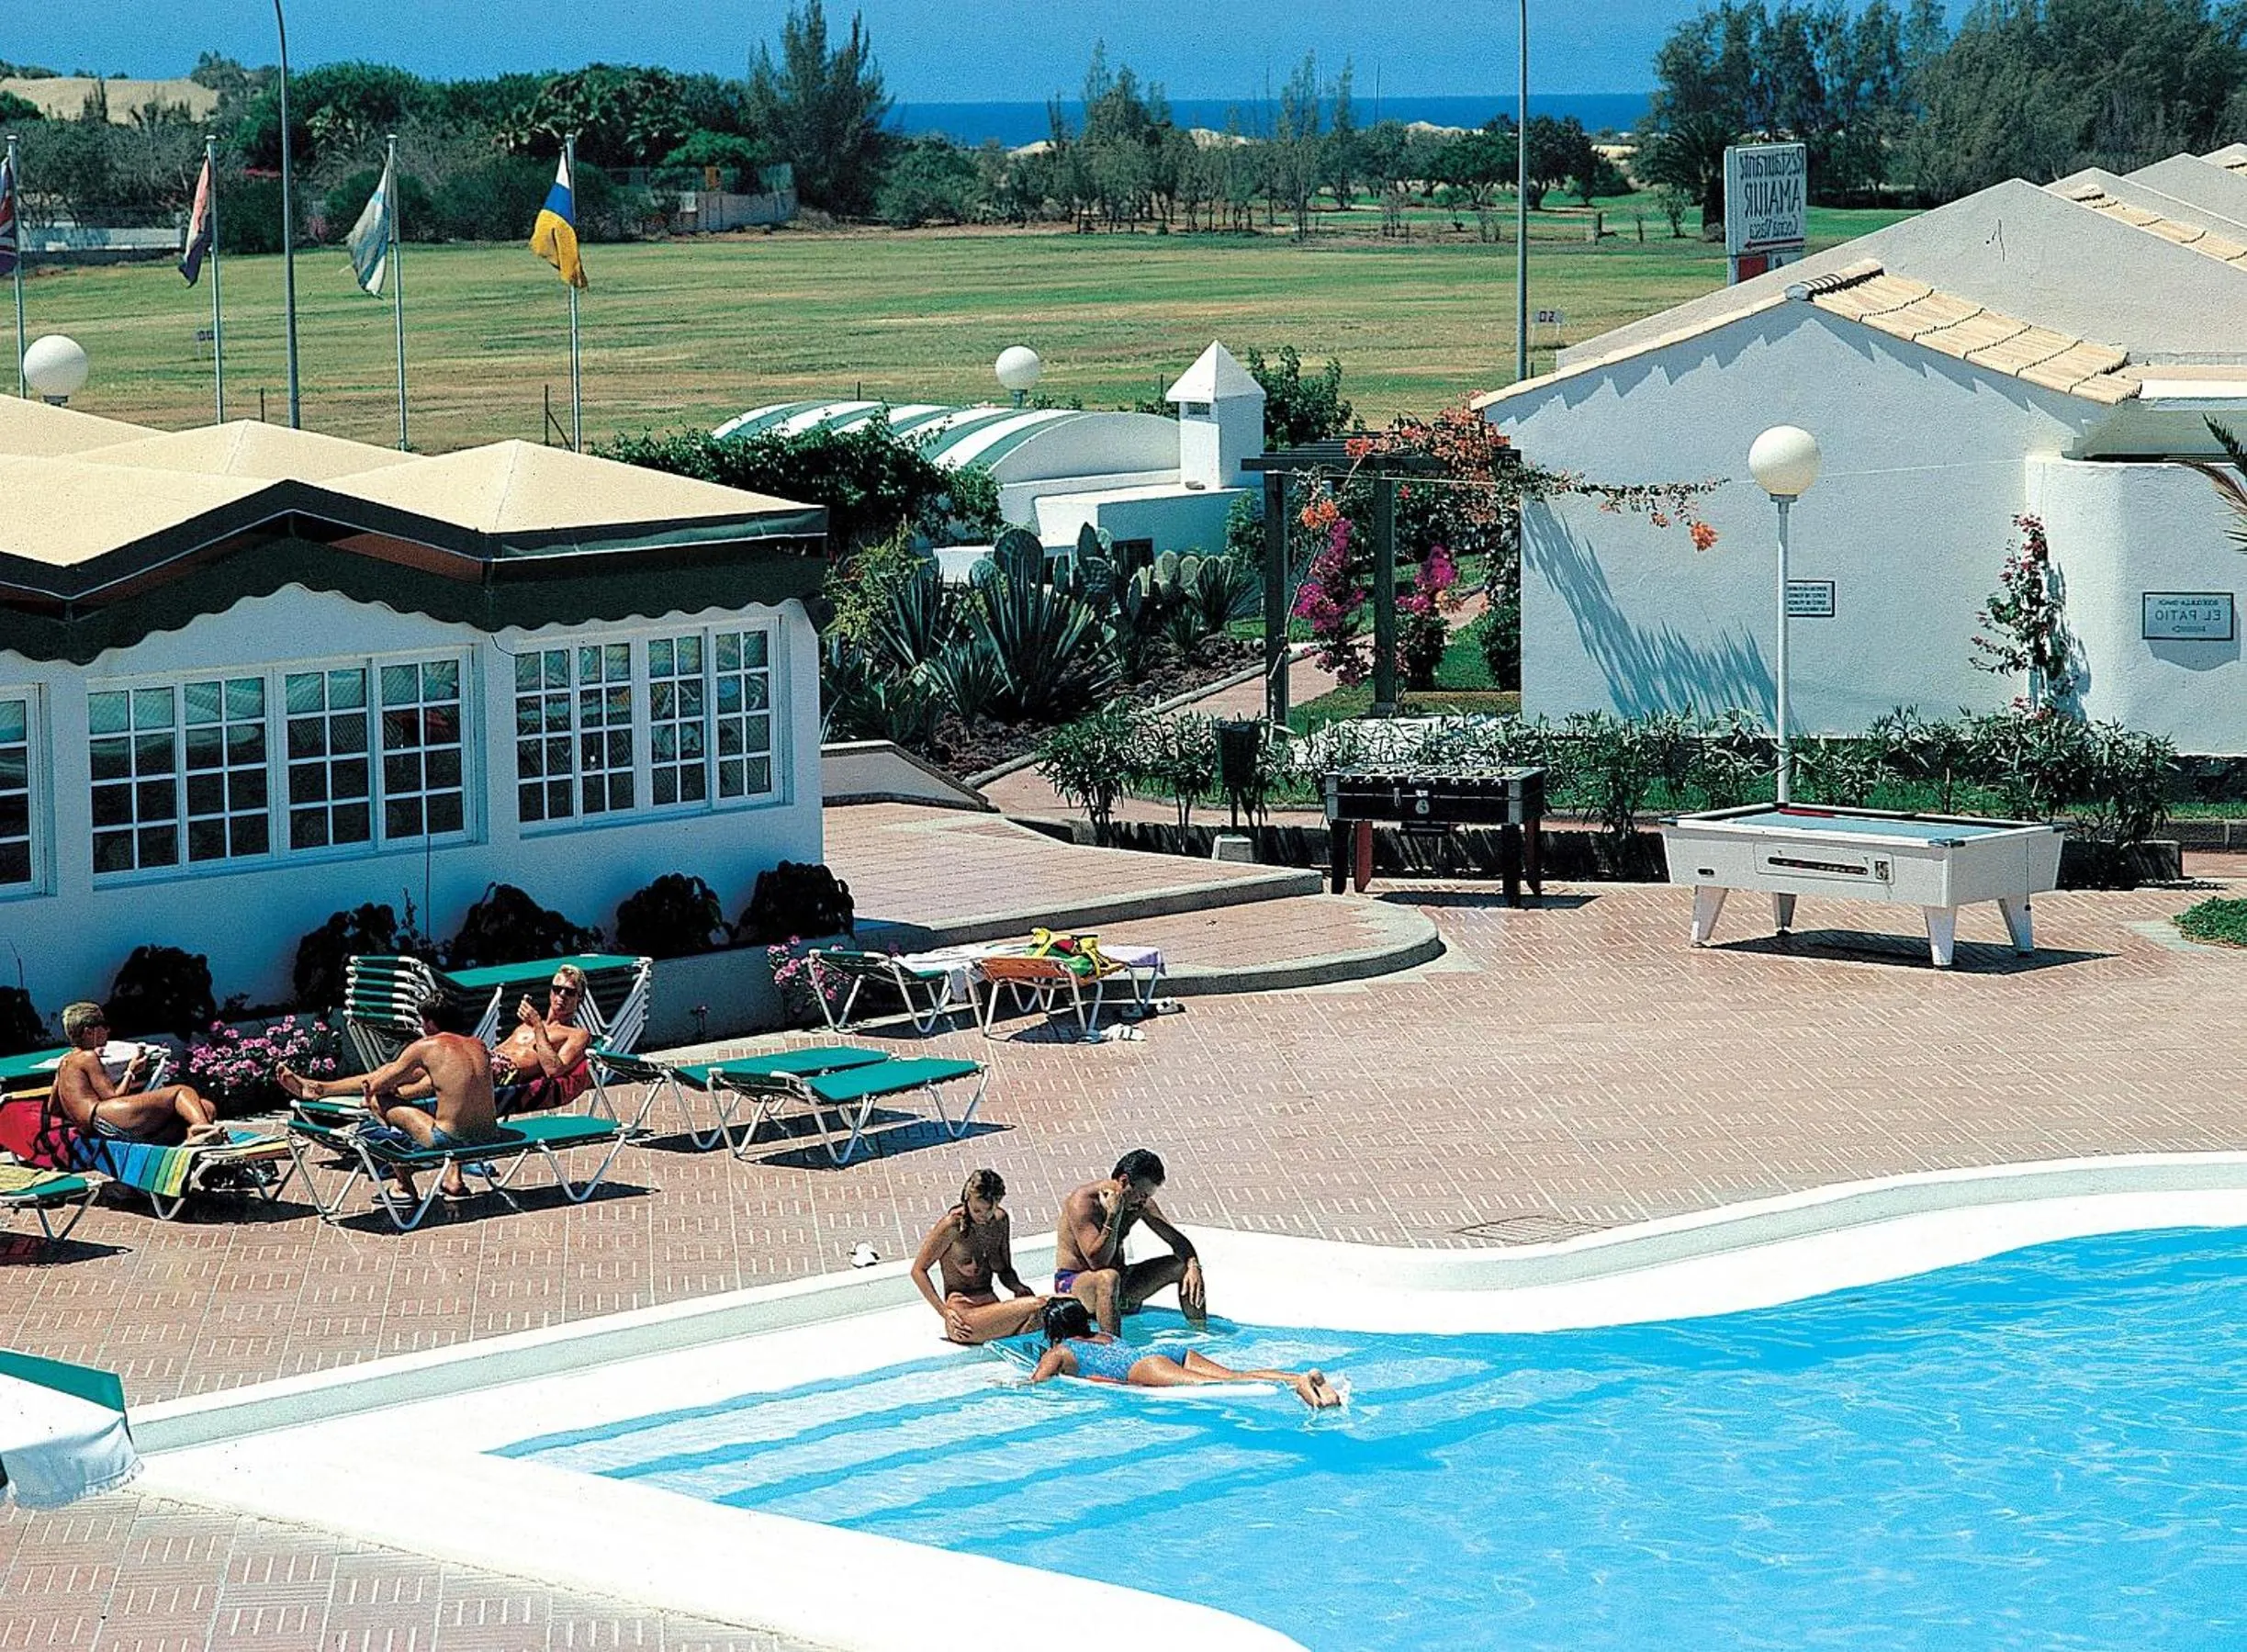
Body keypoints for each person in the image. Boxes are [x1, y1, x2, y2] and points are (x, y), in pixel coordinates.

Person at [275, 994, 504, 1205]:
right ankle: (453, 1179)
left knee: (380, 1104)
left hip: (449, 1140)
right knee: (446, 1108)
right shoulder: (478, 1045)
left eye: (422, 1021)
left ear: (431, 1023)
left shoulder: (425, 1047)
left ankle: (404, 1187)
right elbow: (437, 1084)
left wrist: (380, 1092)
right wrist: (400, 1087)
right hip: (488, 1137)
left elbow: (378, 1086)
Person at [1027, 1298, 1341, 1410]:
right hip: (1167, 1352)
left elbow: (1035, 1383)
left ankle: (1300, 1387)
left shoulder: (1061, 1351)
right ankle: (1298, 1377)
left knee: (1217, 1387)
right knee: (1234, 1376)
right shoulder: (1104, 1335)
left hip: (1145, 1367)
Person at [1053, 1148, 1206, 1336]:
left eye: (1148, 1196)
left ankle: (1202, 1333)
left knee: (1181, 1266)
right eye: (1142, 1194)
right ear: (1124, 1181)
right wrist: (1113, 1217)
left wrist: (1194, 1265)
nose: (1144, 1202)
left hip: (1119, 1288)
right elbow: (1097, 1262)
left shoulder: (1138, 1204)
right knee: (1107, 1277)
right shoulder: (1082, 1202)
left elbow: (1177, 1240)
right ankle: (1115, 1353)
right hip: (1077, 1287)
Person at [51, 1001, 220, 1146]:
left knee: (205, 1107)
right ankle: (203, 1129)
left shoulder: (64, 1063)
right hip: (101, 1116)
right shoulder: (88, 1056)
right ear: (89, 1032)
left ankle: (195, 1137)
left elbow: (54, 1107)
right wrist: (131, 1072)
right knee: (181, 1092)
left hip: (93, 1125)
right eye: (103, 1025)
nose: (107, 1030)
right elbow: (111, 1097)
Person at [911, 1169, 1046, 1344]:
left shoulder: (999, 1221)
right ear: (967, 1200)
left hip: (991, 1307)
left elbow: (1004, 1269)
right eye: (977, 1210)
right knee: (1041, 1306)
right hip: (964, 1317)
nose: (983, 1216)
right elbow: (918, 1270)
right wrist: (944, 1312)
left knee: (1052, 1312)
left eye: (989, 1209)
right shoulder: (952, 1226)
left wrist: (1017, 1287)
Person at [488, 964, 596, 1116]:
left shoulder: (577, 1034)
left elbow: (554, 1070)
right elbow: (498, 1050)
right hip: (486, 1061)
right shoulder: (526, 1025)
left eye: (570, 992)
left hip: (503, 1073)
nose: (562, 995)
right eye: (557, 989)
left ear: (580, 998)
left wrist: (538, 1026)